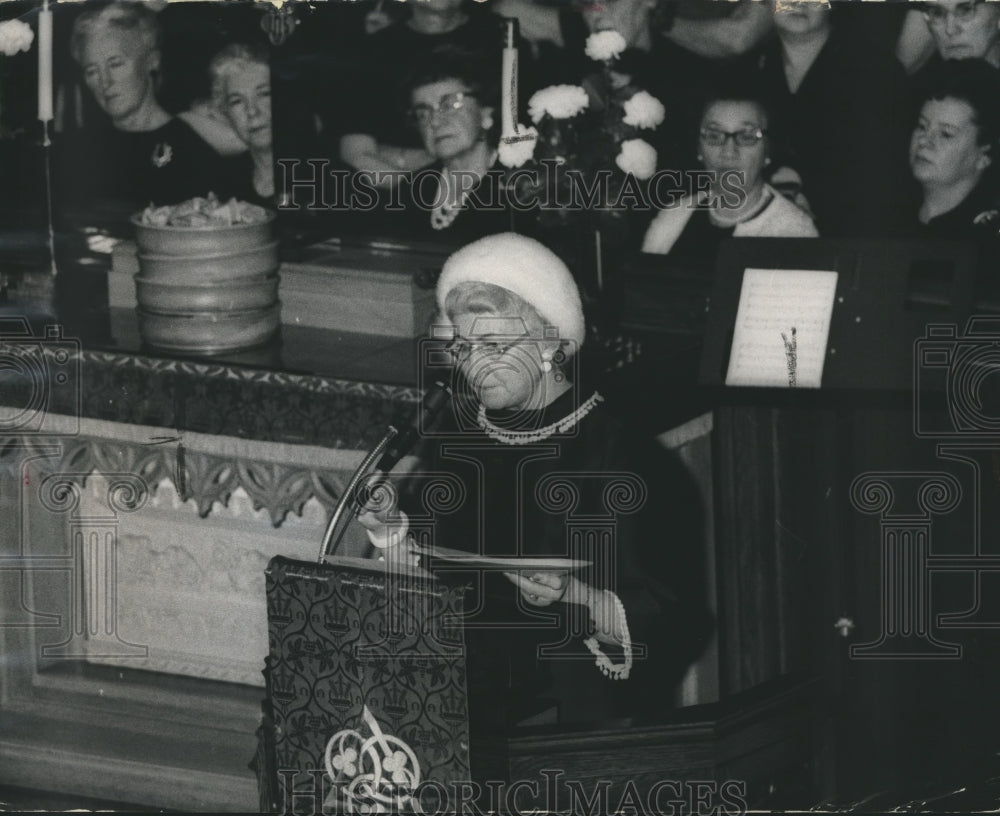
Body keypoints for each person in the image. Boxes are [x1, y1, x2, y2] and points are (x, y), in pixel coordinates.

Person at [356, 232, 710, 727]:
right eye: (463, 347)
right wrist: (390, 526)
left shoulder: (621, 458)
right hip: (458, 693)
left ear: (552, 343)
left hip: (566, 713)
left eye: (494, 345)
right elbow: (432, 575)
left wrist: (576, 596)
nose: (474, 366)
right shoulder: (461, 437)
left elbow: (675, 621)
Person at [61, 1, 234, 224]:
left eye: (116, 64)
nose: (105, 82)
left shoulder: (190, 144)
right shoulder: (82, 148)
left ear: (152, 61)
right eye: (92, 71)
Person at [756, 0, 913, 237]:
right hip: (763, 234)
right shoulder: (749, 71)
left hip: (852, 239)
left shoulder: (877, 71)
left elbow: (884, 183)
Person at [337, 0, 518, 183]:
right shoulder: (368, 54)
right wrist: (430, 191)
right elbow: (357, 155)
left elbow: (521, 141)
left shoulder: (502, 39)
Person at [642, 91, 817, 266]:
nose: (728, 152)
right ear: (699, 149)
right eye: (714, 136)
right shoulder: (672, 216)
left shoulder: (794, 232)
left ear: (768, 151)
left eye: (746, 137)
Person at [380, 50, 512, 240]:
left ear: (486, 113)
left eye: (449, 105)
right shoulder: (409, 192)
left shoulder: (518, 189)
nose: (434, 121)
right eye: (423, 113)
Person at [908, 59, 1000, 238]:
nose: (924, 141)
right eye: (922, 126)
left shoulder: (986, 237)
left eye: (946, 134)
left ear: (985, 155)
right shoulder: (884, 213)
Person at [208, 42, 274, 207]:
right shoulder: (224, 184)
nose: (251, 111)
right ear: (226, 113)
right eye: (236, 101)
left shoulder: (330, 179)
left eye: (264, 94)